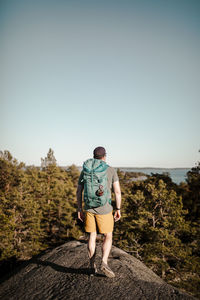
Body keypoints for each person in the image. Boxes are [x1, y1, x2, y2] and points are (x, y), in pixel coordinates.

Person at [76, 146, 121, 278]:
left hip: (89, 208)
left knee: (92, 236)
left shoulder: (86, 169)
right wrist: (118, 209)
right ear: (104, 156)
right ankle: (104, 262)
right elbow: (117, 192)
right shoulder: (110, 170)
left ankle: (91, 265)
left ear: (94, 156)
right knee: (108, 235)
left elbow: (79, 191)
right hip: (105, 209)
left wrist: (79, 209)